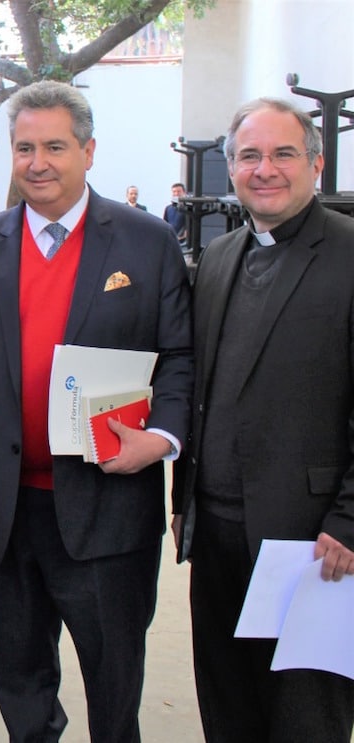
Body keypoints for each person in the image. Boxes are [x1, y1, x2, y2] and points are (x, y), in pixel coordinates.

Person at [0, 80, 192, 742]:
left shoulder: (147, 242)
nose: (37, 162)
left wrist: (160, 438)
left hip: (108, 503)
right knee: (19, 673)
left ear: (89, 151)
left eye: (54, 146)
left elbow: (181, 356)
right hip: (4, 505)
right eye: (23, 148)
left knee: (113, 677)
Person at [173, 97, 354, 742]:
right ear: (232, 169)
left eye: (282, 154)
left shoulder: (349, 255)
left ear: (316, 163)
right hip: (217, 531)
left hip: (313, 542)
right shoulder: (219, 258)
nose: (265, 169)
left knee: (305, 716)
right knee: (227, 704)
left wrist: (349, 520)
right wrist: (183, 499)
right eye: (250, 156)